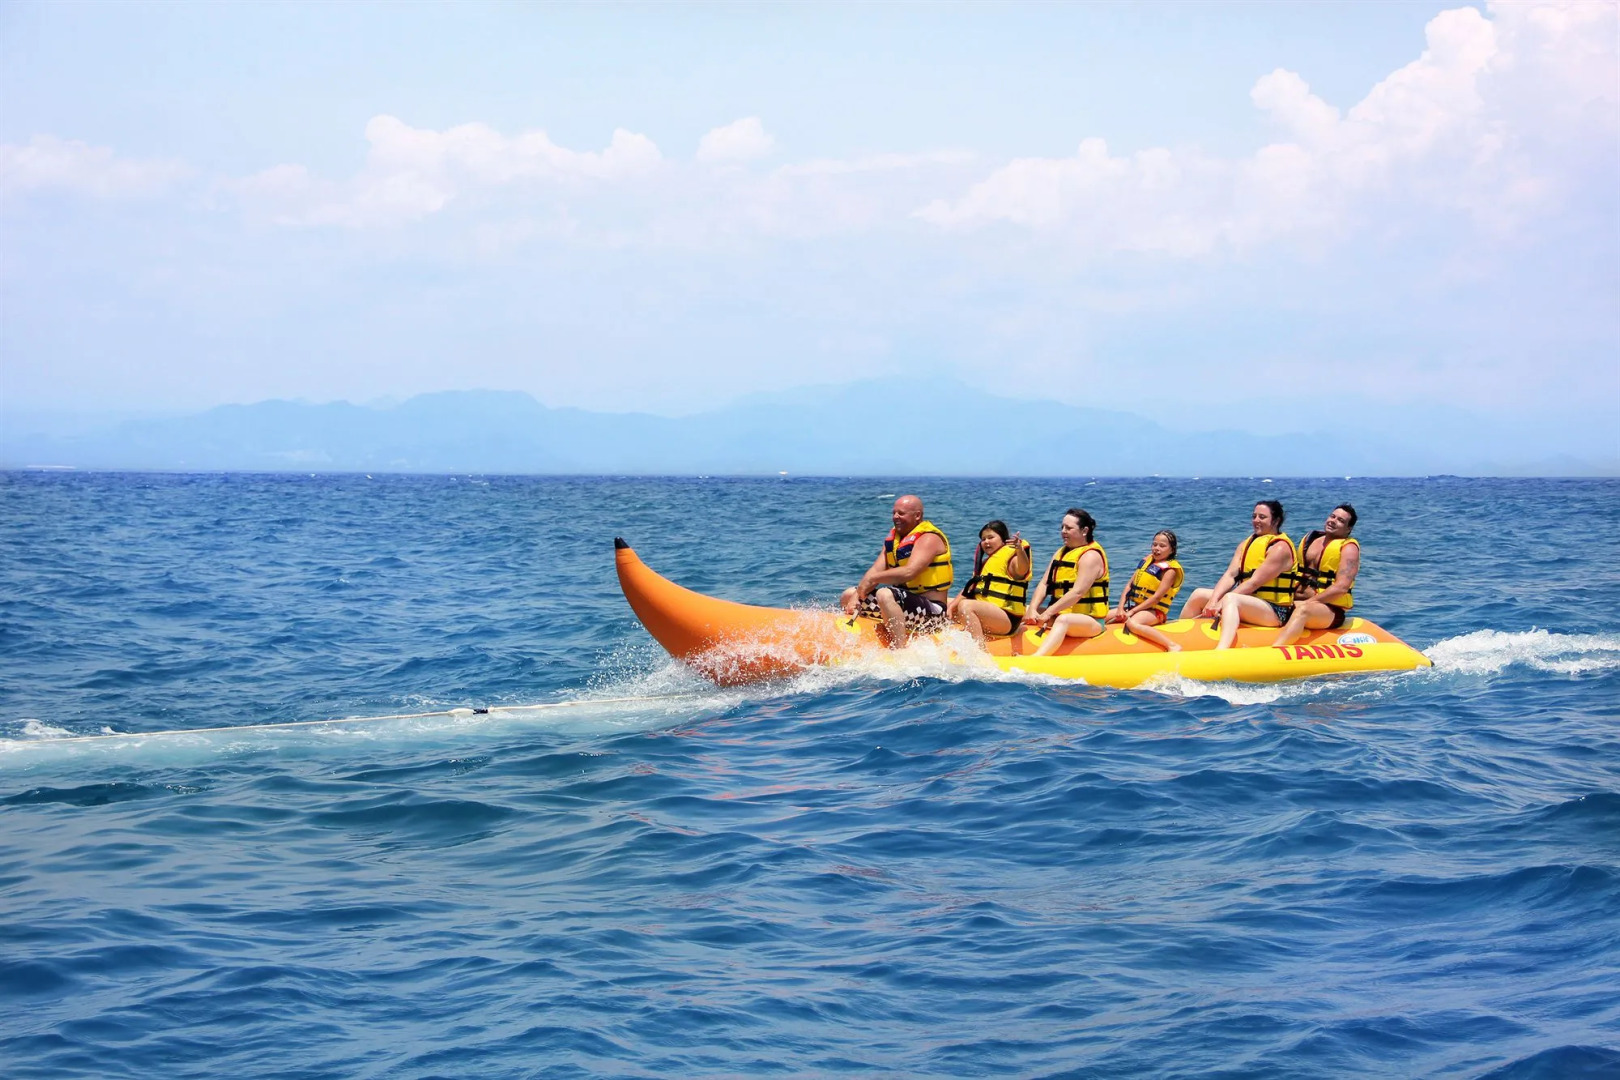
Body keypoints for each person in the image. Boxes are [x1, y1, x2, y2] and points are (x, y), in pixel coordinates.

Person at [1179, 499, 1297, 650]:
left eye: (1262, 517)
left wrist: (1221, 602)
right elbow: (1230, 575)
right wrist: (1213, 601)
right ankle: (1181, 638)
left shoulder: (1280, 548)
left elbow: (1254, 583)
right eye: (1254, 516)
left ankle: (1222, 650)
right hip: (1250, 602)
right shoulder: (1245, 544)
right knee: (1199, 594)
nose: (1256, 520)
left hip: (1275, 611)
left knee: (1231, 598)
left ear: (1276, 520)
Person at [840, 494, 953, 648]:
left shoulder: (929, 538)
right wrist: (857, 595)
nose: (895, 517)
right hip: (903, 606)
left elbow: (909, 572)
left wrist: (874, 579)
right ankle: (856, 637)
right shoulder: (894, 540)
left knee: (885, 594)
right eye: (894, 513)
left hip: (933, 614)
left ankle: (900, 649)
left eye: (901, 513)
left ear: (917, 515)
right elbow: (876, 569)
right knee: (848, 595)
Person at [1273, 504, 1361, 647]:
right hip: (1297, 600)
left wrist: (1309, 602)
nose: (1333, 521)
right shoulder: (1311, 540)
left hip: (1329, 610)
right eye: (1332, 516)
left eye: (1340, 520)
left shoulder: (1349, 549)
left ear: (1348, 529)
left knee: (1303, 610)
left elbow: (1341, 587)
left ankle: (1276, 650)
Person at [1024, 508, 1109, 658]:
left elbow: (1077, 592)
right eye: (1062, 527)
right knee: (1022, 609)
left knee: (1063, 620)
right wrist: (1033, 609)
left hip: (1091, 621)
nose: (1063, 531)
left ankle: (1037, 658)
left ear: (1084, 531)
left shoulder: (1090, 556)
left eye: (1069, 528)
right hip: (1060, 613)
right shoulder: (1061, 552)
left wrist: (1048, 612)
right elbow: (1044, 584)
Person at [948, 520, 1033, 643]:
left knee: (966, 606)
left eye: (990, 537)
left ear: (1003, 539)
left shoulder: (1013, 560)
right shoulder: (985, 564)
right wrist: (951, 606)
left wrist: (1019, 550)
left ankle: (978, 649)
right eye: (983, 539)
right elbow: (970, 589)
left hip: (1007, 618)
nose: (986, 542)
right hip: (988, 613)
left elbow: (1022, 569)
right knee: (944, 604)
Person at [1107, 530, 1184, 652]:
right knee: (1104, 616)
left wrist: (1131, 612)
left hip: (1155, 612)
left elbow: (1156, 598)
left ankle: (1172, 645)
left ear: (1172, 550)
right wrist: (1121, 609)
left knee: (1133, 623)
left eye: (1162, 546)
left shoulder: (1170, 571)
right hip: (1136, 607)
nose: (1156, 548)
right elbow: (1129, 586)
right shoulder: (1147, 562)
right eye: (1154, 544)